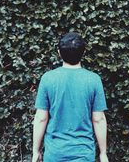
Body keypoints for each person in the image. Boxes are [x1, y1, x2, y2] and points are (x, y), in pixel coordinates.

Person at [32, 32, 109, 162]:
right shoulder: (93, 80)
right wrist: (103, 153)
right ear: (83, 53)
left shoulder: (48, 79)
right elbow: (99, 119)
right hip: (83, 154)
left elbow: (40, 118)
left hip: (54, 153)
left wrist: (36, 151)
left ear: (59, 53)